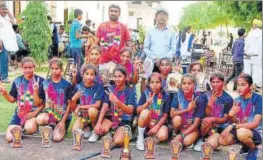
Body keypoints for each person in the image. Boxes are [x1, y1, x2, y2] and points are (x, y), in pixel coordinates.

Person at [0, 57, 44, 142]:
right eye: (25, 68)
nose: (27, 70)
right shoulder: (17, 81)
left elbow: (43, 103)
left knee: (30, 128)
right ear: (21, 68)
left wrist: (34, 113)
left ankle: (30, 126)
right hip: (20, 112)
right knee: (9, 138)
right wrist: (5, 93)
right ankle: (21, 128)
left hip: (35, 112)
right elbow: (13, 99)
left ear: (34, 67)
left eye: (30, 68)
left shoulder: (41, 81)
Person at [219, 74, 262, 160]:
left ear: (250, 86)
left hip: (254, 132)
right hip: (240, 129)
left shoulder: (258, 99)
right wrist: (231, 116)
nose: (239, 88)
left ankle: (253, 149)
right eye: (238, 85)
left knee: (242, 133)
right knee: (222, 140)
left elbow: (255, 124)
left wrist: (233, 126)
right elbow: (234, 121)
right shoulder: (237, 100)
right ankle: (244, 144)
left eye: (243, 85)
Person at [94, 67, 137, 146]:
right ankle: (110, 131)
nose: (117, 79)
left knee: (118, 141)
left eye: (120, 76)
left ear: (125, 77)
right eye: (115, 76)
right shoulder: (109, 89)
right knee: (100, 130)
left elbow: (130, 110)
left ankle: (125, 132)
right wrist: (99, 123)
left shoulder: (131, 91)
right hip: (111, 119)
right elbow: (104, 106)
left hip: (124, 121)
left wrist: (117, 101)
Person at [34, 58, 72, 142]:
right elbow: (39, 103)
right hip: (50, 115)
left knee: (56, 138)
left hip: (63, 117)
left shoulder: (67, 84)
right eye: (52, 68)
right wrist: (35, 91)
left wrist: (62, 121)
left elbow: (70, 105)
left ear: (61, 70)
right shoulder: (45, 83)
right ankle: (52, 126)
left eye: (56, 68)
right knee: (39, 119)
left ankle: (62, 127)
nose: (54, 71)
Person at [170, 74, 207, 150]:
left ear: (194, 85)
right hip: (183, 125)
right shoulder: (178, 94)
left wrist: (181, 136)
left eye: (189, 83)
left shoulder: (200, 98)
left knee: (186, 142)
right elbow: (172, 114)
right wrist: (187, 109)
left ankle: (193, 138)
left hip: (193, 127)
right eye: (184, 83)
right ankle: (179, 134)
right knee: (176, 119)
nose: (186, 86)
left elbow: (196, 123)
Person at [136, 72, 171, 150]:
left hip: (159, 122)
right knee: (145, 112)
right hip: (147, 122)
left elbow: (165, 115)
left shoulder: (166, 96)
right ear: (149, 84)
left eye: (157, 82)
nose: (155, 85)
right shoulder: (145, 94)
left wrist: (157, 127)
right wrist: (146, 103)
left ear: (161, 83)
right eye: (152, 82)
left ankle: (150, 138)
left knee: (163, 136)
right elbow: (138, 111)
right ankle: (140, 137)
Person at [199, 72, 233, 151]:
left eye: (218, 82)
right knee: (205, 121)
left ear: (223, 82)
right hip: (207, 125)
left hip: (220, 126)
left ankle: (212, 138)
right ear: (210, 83)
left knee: (211, 145)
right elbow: (205, 115)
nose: (215, 84)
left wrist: (213, 119)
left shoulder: (228, 99)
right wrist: (209, 105)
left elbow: (225, 119)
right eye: (213, 82)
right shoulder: (205, 95)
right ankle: (201, 138)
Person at [71, 64, 104, 142]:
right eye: (87, 74)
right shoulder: (78, 87)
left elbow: (97, 105)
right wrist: (73, 99)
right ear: (82, 74)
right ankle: (87, 127)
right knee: (74, 131)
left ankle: (95, 130)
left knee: (92, 110)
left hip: (94, 115)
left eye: (92, 74)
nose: (89, 77)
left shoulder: (98, 87)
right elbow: (73, 110)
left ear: (95, 76)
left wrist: (80, 107)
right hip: (83, 116)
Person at [144, 8, 176, 73]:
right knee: (149, 81)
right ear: (155, 17)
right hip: (150, 62)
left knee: (165, 82)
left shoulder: (172, 31)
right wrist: (155, 59)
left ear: (167, 18)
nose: (162, 17)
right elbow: (146, 48)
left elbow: (173, 49)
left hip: (165, 64)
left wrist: (162, 60)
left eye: (164, 15)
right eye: (160, 14)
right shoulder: (150, 30)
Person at [0, 2, 18, 83]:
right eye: (3, 9)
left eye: (5, 9)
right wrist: (0, 41)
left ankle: (2, 76)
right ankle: (4, 77)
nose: (4, 11)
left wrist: (9, 12)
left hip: (7, 42)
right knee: (4, 59)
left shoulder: (7, 17)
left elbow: (14, 22)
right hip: (2, 42)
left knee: (4, 59)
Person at [244, 19, 262, 91]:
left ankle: (247, 86)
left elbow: (247, 44)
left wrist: (245, 51)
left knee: (248, 70)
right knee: (256, 71)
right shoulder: (261, 33)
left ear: (254, 25)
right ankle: (254, 85)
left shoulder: (250, 33)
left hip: (248, 55)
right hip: (258, 56)